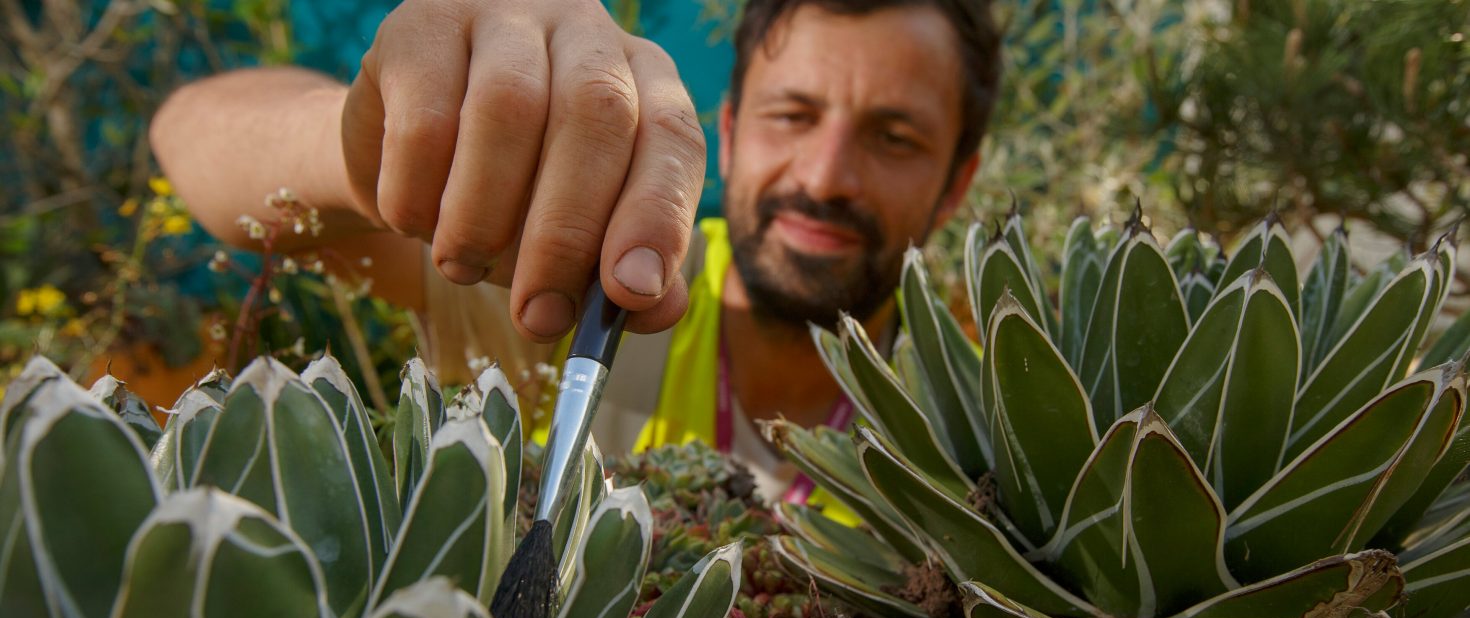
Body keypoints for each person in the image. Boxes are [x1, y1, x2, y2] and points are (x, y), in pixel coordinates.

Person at [150, 0, 1002, 501]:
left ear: (957, 183)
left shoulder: (992, 436)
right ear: (733, 133)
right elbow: (191, 136)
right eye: (794, 115)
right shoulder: (581, 274)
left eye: (894, 138)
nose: (826, 177)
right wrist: (370, 138)